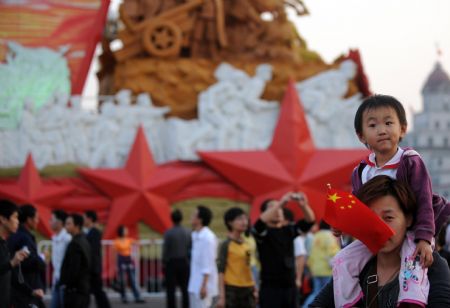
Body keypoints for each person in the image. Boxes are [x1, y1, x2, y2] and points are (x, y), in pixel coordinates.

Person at [332, 94, 450, 306]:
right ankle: (350, 302)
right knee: (342, 259)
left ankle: (411, 301)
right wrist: (343, 223)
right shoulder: (361, 171)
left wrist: (424, 238)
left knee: (414, 262)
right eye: (373, 125)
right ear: (361, 136)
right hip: (375, 235)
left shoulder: (410, 161)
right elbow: (358, 206)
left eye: (388, 123)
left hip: (412, 232)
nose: (382, 130)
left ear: (403, 129)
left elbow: (423, 200)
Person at [310, 175, 450, 307]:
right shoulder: (352, 267)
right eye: (370, 218)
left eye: (388, 218)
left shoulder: (429, 265)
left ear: (408, 219)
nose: (378, 229)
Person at [252, 191, 315, 308]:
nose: (277, 210)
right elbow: (259, 224)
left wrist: (304, 205)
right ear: (265, 213)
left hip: (290, 287)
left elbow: (309, 221)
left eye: (280, 208)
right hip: (270, 288)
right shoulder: (262, 233)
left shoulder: (289, 230)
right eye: (272, 208)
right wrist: (281, 202)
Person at [217, 207, 257, 308]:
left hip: (248, 290)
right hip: (232, 290)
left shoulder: (246, 244)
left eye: (245, 219)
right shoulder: (226, 244)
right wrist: (222, 297)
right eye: (239, 219)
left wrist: (254, 288)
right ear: (230, 223)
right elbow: (221, 271)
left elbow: (248, 266)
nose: (244, 222)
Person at [7, 204, 46, 308]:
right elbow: (30, 261)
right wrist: (42, 260)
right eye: (14, 217)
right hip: (27, 289)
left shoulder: (16, 235)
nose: (38, 221)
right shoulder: (23, 238)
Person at [302, 221, 340, 307]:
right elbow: (334, 254)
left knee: (316, 292)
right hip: (327, 270)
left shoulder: (315, 236)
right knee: (328, 294)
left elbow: (310, 253)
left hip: (315, 270)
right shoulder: (330, 236)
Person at [0, 200, 29, 308]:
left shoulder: (4, 243)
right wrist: (11, 263)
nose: (17, 222)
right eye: (15, 217)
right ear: (3, 219)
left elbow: (9, 276)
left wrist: (31, 291)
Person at [188, 205, 218, 308]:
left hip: (203, 285)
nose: (191, 217)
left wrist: (204, 286)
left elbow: (208, 264)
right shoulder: (195, 235)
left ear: (200, 219)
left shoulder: (208, 238)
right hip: (194, 284)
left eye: (194, 215)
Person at [59, 213, 91, 308]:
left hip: (75, 291)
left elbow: (73, 269)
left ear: (77, 226)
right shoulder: (84, 240)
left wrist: (67, 284)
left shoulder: (75, 244)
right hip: (83, 288)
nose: (66, 226)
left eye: (69, 224)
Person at [162, 209, 191, 308]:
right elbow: (190, 248)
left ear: (172, 219)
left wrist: (164, 262)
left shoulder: (168, 233)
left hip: (171, 263)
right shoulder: (188, 232)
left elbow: (165, 250)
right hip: (185, 262)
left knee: (171, 290)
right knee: (185, 289)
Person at [84, 211, 111, 308]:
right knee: (93, 292)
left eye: (85, 218)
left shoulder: (95, 232)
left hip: (94, 268)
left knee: (97, 291)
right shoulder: (91, 232)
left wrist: (93, 267)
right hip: (93, 267)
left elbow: (93, 251)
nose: (84, 220)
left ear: (90, 219)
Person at [113, 225, 145, 304]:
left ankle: (137, 296)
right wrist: (115, 265)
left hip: (128, 259)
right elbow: (115, 253)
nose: (127, 231)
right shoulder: (116, 241)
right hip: (121, 260)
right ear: (121, 231)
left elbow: (137, 243)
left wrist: (150, 242)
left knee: (132, 279)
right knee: (122, 280)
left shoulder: (128, 240)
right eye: (125, 230)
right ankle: (124, 297)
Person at [50, 209, 72, 308]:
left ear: (60, 222)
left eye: (52, 219)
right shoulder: (54, 238)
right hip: (57, 279)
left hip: (65, 281)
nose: (50, 222)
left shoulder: (67, 238)